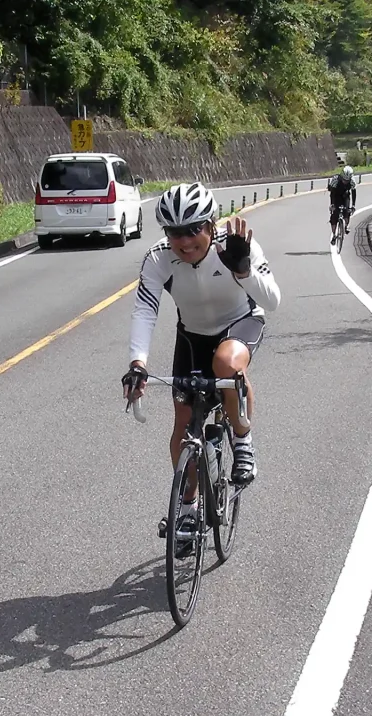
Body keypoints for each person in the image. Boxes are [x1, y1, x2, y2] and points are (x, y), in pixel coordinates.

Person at [121, 182, 281, 539]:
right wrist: (138, 363)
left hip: (241, 322)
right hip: (192, 336)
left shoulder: (235, 244)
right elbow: (146, 310)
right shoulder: (159, 257)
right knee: (183, 425)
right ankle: (188, 509)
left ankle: (243, 442)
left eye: (194, 229)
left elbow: (272, 301)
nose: (185, 241)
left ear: (210, 224)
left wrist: (243, 271)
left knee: (226, 363)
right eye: (175, 232)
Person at [327, 165, 357, 245]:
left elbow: (354, 193)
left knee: (347, 211)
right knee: (334, 216)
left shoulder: (352, 181)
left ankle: (346, 226)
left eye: (347, 180)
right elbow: (332, 194)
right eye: (344, 180)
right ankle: (334, 235)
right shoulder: (335, 180)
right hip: (336, 195)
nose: (345, 182)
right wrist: (332, 204)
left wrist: (353, 205)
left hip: (345, 196)